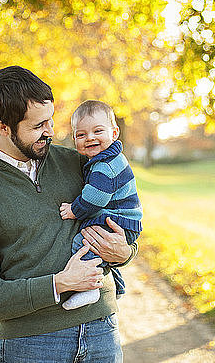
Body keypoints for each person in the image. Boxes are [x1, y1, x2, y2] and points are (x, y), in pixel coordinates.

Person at [0, 66, 137, 363]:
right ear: (4, 127)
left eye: (50, 120)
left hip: (102, 330)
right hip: (32, 345)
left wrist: (125, 251)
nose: (50, 131)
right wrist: (60, 283)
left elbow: (124, 213)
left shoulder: (76, 162)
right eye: (38, 126)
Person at [59, 100, 142, 310]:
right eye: (81, 134)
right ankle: (118, 285)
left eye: (98, 131)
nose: (90, 138)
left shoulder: (106, 165)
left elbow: (95, 198)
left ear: (114, 133)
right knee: (98, 251)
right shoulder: (105, 160)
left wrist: (73, 210)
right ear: (74, 138)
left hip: (118, 222)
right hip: (121, 219)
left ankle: (89, 289)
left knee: (83, 243)